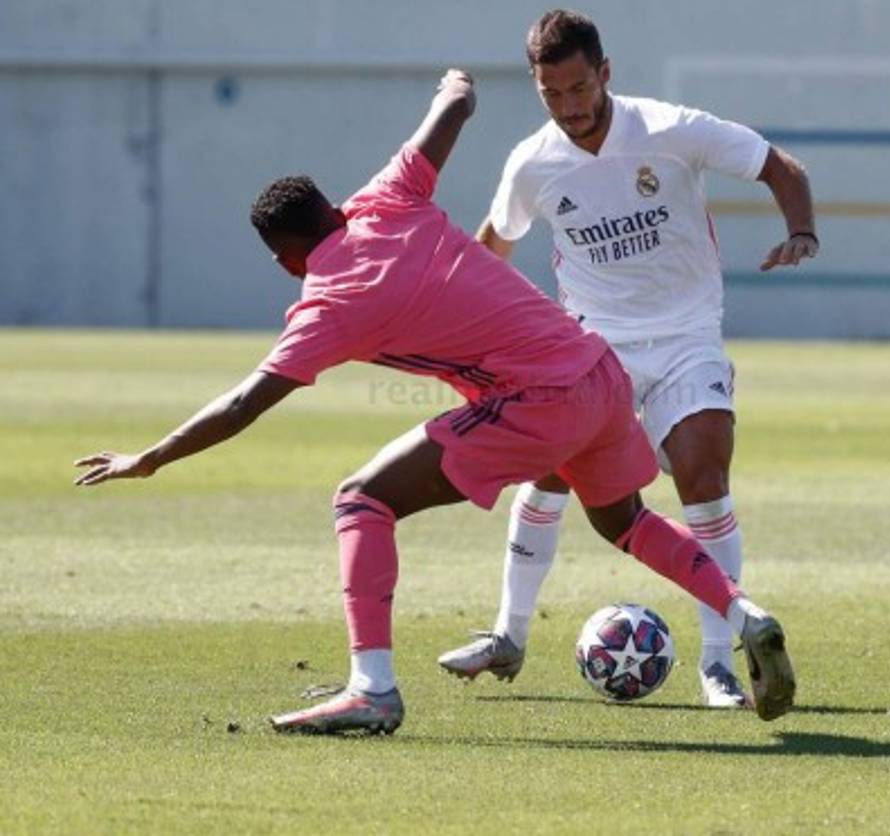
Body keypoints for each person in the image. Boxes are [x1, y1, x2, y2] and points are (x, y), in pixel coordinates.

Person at [73, 69, 795, 735]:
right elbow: (450, 112)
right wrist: (457, 87)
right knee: (627, 521)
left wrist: (153, 456)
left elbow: (242, 405)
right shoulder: (387, 197)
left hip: (540, 398)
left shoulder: (329, 301)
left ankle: (373, 688)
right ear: (332, 205)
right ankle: (743, 611)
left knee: (362, 500)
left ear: (285, 260)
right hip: (598, 371)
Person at [438, 10, 817, 709]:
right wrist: (466, 329)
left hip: (685, 337)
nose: (570, 106)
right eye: (552, 93)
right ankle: (509, 635)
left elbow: (776, 165)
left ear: (605, 73)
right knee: (548, 474)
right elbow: (493, 244)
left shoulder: (670, 130)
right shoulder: (534, 163)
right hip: (590, 345)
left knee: (704, 475)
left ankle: (719, 665)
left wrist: (801, 232)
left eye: (579, 87)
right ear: (537, 87)